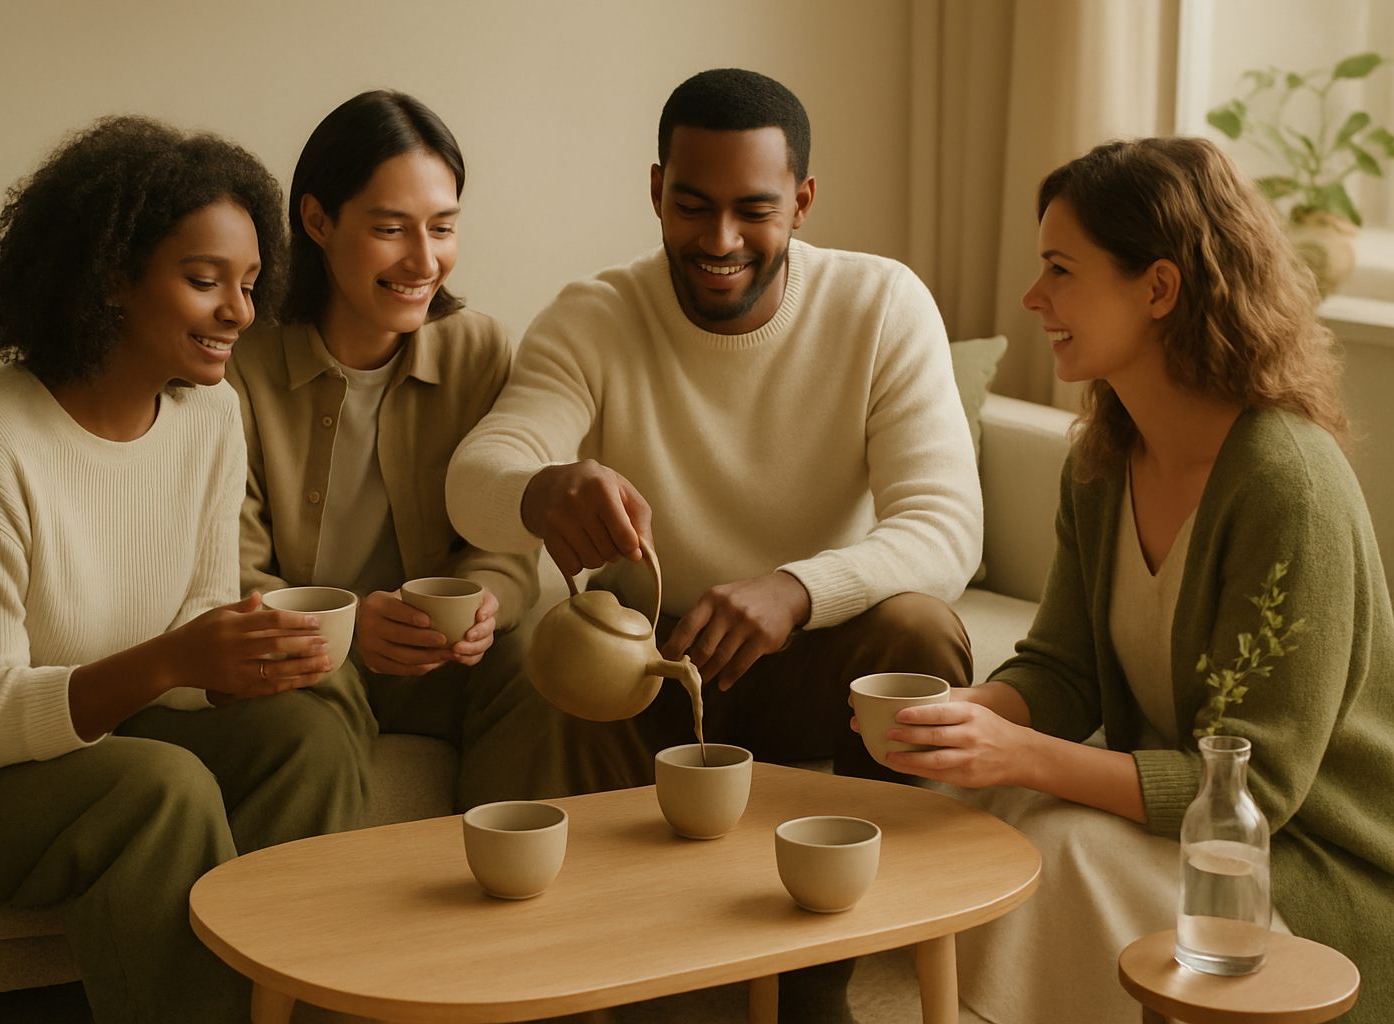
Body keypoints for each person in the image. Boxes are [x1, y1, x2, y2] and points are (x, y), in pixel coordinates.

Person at [446, 67, 981, 1023]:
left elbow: (947, 528)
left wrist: (796, 590)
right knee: (549, 663)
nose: (721, 241)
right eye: (692, 206)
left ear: (804, 203)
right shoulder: (594, 317)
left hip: (817, 657)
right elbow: (477, 474)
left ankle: (828, 977)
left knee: (921, 635)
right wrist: (540, 489)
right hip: (655, 670)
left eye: (754, 210)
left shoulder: (882, 306)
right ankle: (626, 985)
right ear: (656, 190)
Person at [0, 117, 372, 1024]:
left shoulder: (211, 420)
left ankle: (288, 1009)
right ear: (110, 278)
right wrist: (177, 661)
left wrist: (235, 668)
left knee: (310, 731)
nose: (239, 313)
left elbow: (190, 631)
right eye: (205, 280)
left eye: (250, 285)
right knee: (157, 793)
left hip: (90, 729)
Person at [875, 136, 1394, 1022]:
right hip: (1184, 831)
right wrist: (967, 724)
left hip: (1308, 864)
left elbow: (1254, 788)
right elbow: (1064, 669)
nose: (1034, 298)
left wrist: (1029, 756)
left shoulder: (1287, 485)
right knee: (972, 802)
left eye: (1060, 270)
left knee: (1065, 845)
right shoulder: (1102, 460)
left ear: (1158, 287)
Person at [226, 91, 569, 812]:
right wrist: (349, 625)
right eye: (391, 228)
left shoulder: (477, 349)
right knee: (306, 700)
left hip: (437, 661)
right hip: (308, 650)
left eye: (443, 227)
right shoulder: (241, 362)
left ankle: (510, 899)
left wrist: (486, 603)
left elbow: (504, 539)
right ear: (317, 221)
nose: (424, 259)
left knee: (543, 654)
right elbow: (229, 566)